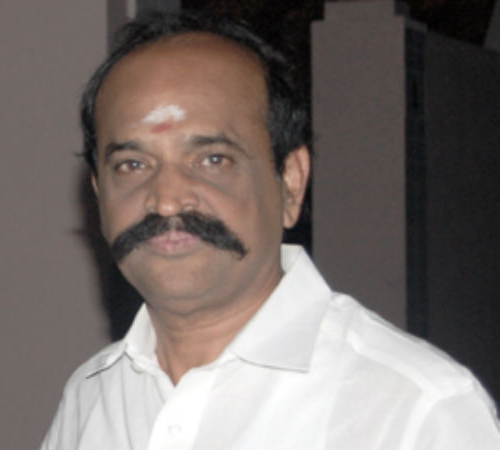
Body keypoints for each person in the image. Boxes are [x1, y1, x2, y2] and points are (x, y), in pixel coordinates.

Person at [40, 11, 500, 450]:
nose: (166, 199)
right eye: (132, 164)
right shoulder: (91, 398)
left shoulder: (415, 412)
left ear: (291, 182)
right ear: (99, 192)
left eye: (212, 160)